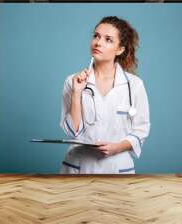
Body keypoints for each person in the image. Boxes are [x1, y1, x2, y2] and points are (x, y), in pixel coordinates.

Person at [60, 16, 150, 174]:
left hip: (117, 167)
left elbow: (141, 129)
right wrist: (76, 93)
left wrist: (117, 148)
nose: (98, 43)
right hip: (78, 167)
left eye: (108, 39)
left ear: (120, 49)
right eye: (96, 36)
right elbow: (72, 132)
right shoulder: (72, 81)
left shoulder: (135, 85)